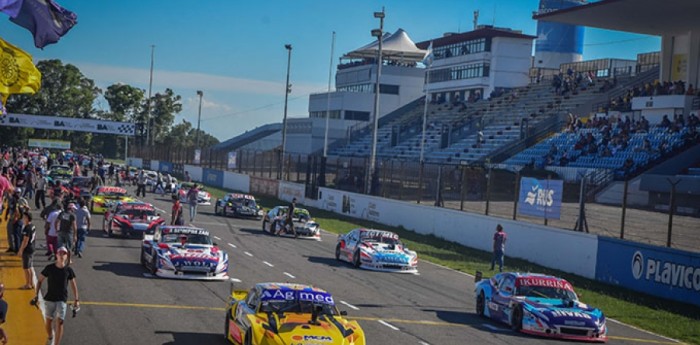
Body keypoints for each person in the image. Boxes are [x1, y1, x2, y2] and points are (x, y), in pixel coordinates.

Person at [35, 246, 79, 345]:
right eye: (60, 253)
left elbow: (73, 285)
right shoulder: (49, 268)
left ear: (67, 256)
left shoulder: (68, 270)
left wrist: (76, 299)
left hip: (62, 299)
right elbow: (40, 281)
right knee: (48, 322)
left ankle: (56, 344)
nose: (62, 255)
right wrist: (36, 295)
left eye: (64, 254)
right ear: (56, 255)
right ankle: (50, 336)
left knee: (59, 322)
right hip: (50, 298)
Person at [17, 212, 36, 290]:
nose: (23, 218)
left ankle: (28, 284)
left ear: (27, 218)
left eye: (24, 217)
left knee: (26, 267)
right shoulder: (32, 226)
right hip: (32, 248)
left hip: (27, 249)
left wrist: (21, 250)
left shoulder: (27, 228)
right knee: (30, 266)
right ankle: (31, 283)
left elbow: (25, 240)